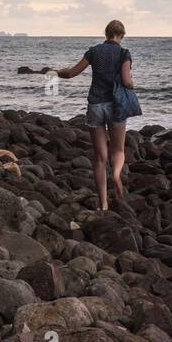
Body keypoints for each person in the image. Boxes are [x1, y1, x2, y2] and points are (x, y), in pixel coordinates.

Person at [55, 20, 134, 211]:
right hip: (116, 105)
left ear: (106, 33)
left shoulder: (94, 51)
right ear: (121, 35)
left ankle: (103, 204)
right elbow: (126, 80)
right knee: (118, 151)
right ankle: (115, 174)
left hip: (96, 105)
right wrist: (132, 84)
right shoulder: (124, 53)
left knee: (100, 158)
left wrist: (55, 72)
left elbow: (72, 73)